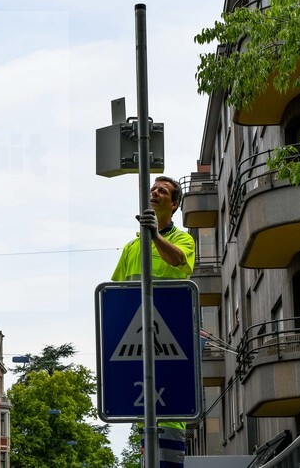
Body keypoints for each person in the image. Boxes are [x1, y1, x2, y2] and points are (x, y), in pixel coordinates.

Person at [111, 175, 196, 468]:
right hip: (138, 345)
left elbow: (179, 262)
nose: (155, 192)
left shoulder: (183, 238)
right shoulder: (130, 248)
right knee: (146, 428)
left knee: (171, 428)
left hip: (172, 345)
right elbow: (115, 296)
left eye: (163, 191)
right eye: (153, 189)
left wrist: (154, 236)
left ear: (173, 205)